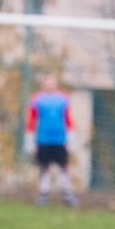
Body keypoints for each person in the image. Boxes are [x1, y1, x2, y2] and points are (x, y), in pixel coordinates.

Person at [25, 74, 78, 206]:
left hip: (60, 139)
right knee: (44, 167)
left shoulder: (63, 99)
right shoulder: (36, 100)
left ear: (55, 84)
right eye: (47, 83)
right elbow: (31, 121)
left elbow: (68, 119)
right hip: (43, 139)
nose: (49, 85)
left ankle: (68, 195)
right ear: (43, 85)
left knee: (64, 167)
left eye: (51, 83)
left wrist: (71, 138)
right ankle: (43, 194)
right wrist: (30, 140)